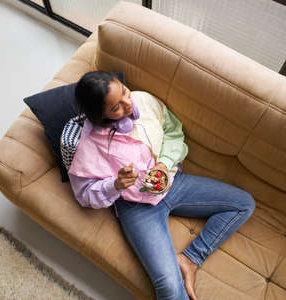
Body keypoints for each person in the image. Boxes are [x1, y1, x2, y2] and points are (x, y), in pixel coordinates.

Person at [67, 71, 255, 300]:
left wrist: (164, 165)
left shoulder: (145, 101)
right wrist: (114, 185)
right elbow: (84, 195)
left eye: (125, 92)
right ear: (100, 116)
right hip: (136, 207)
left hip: (173, 183)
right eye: (116, 107)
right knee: (168, 287)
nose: (128, 104)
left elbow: (173, 132)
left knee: (243, 204)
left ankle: (190, 259)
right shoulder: (89, 147)